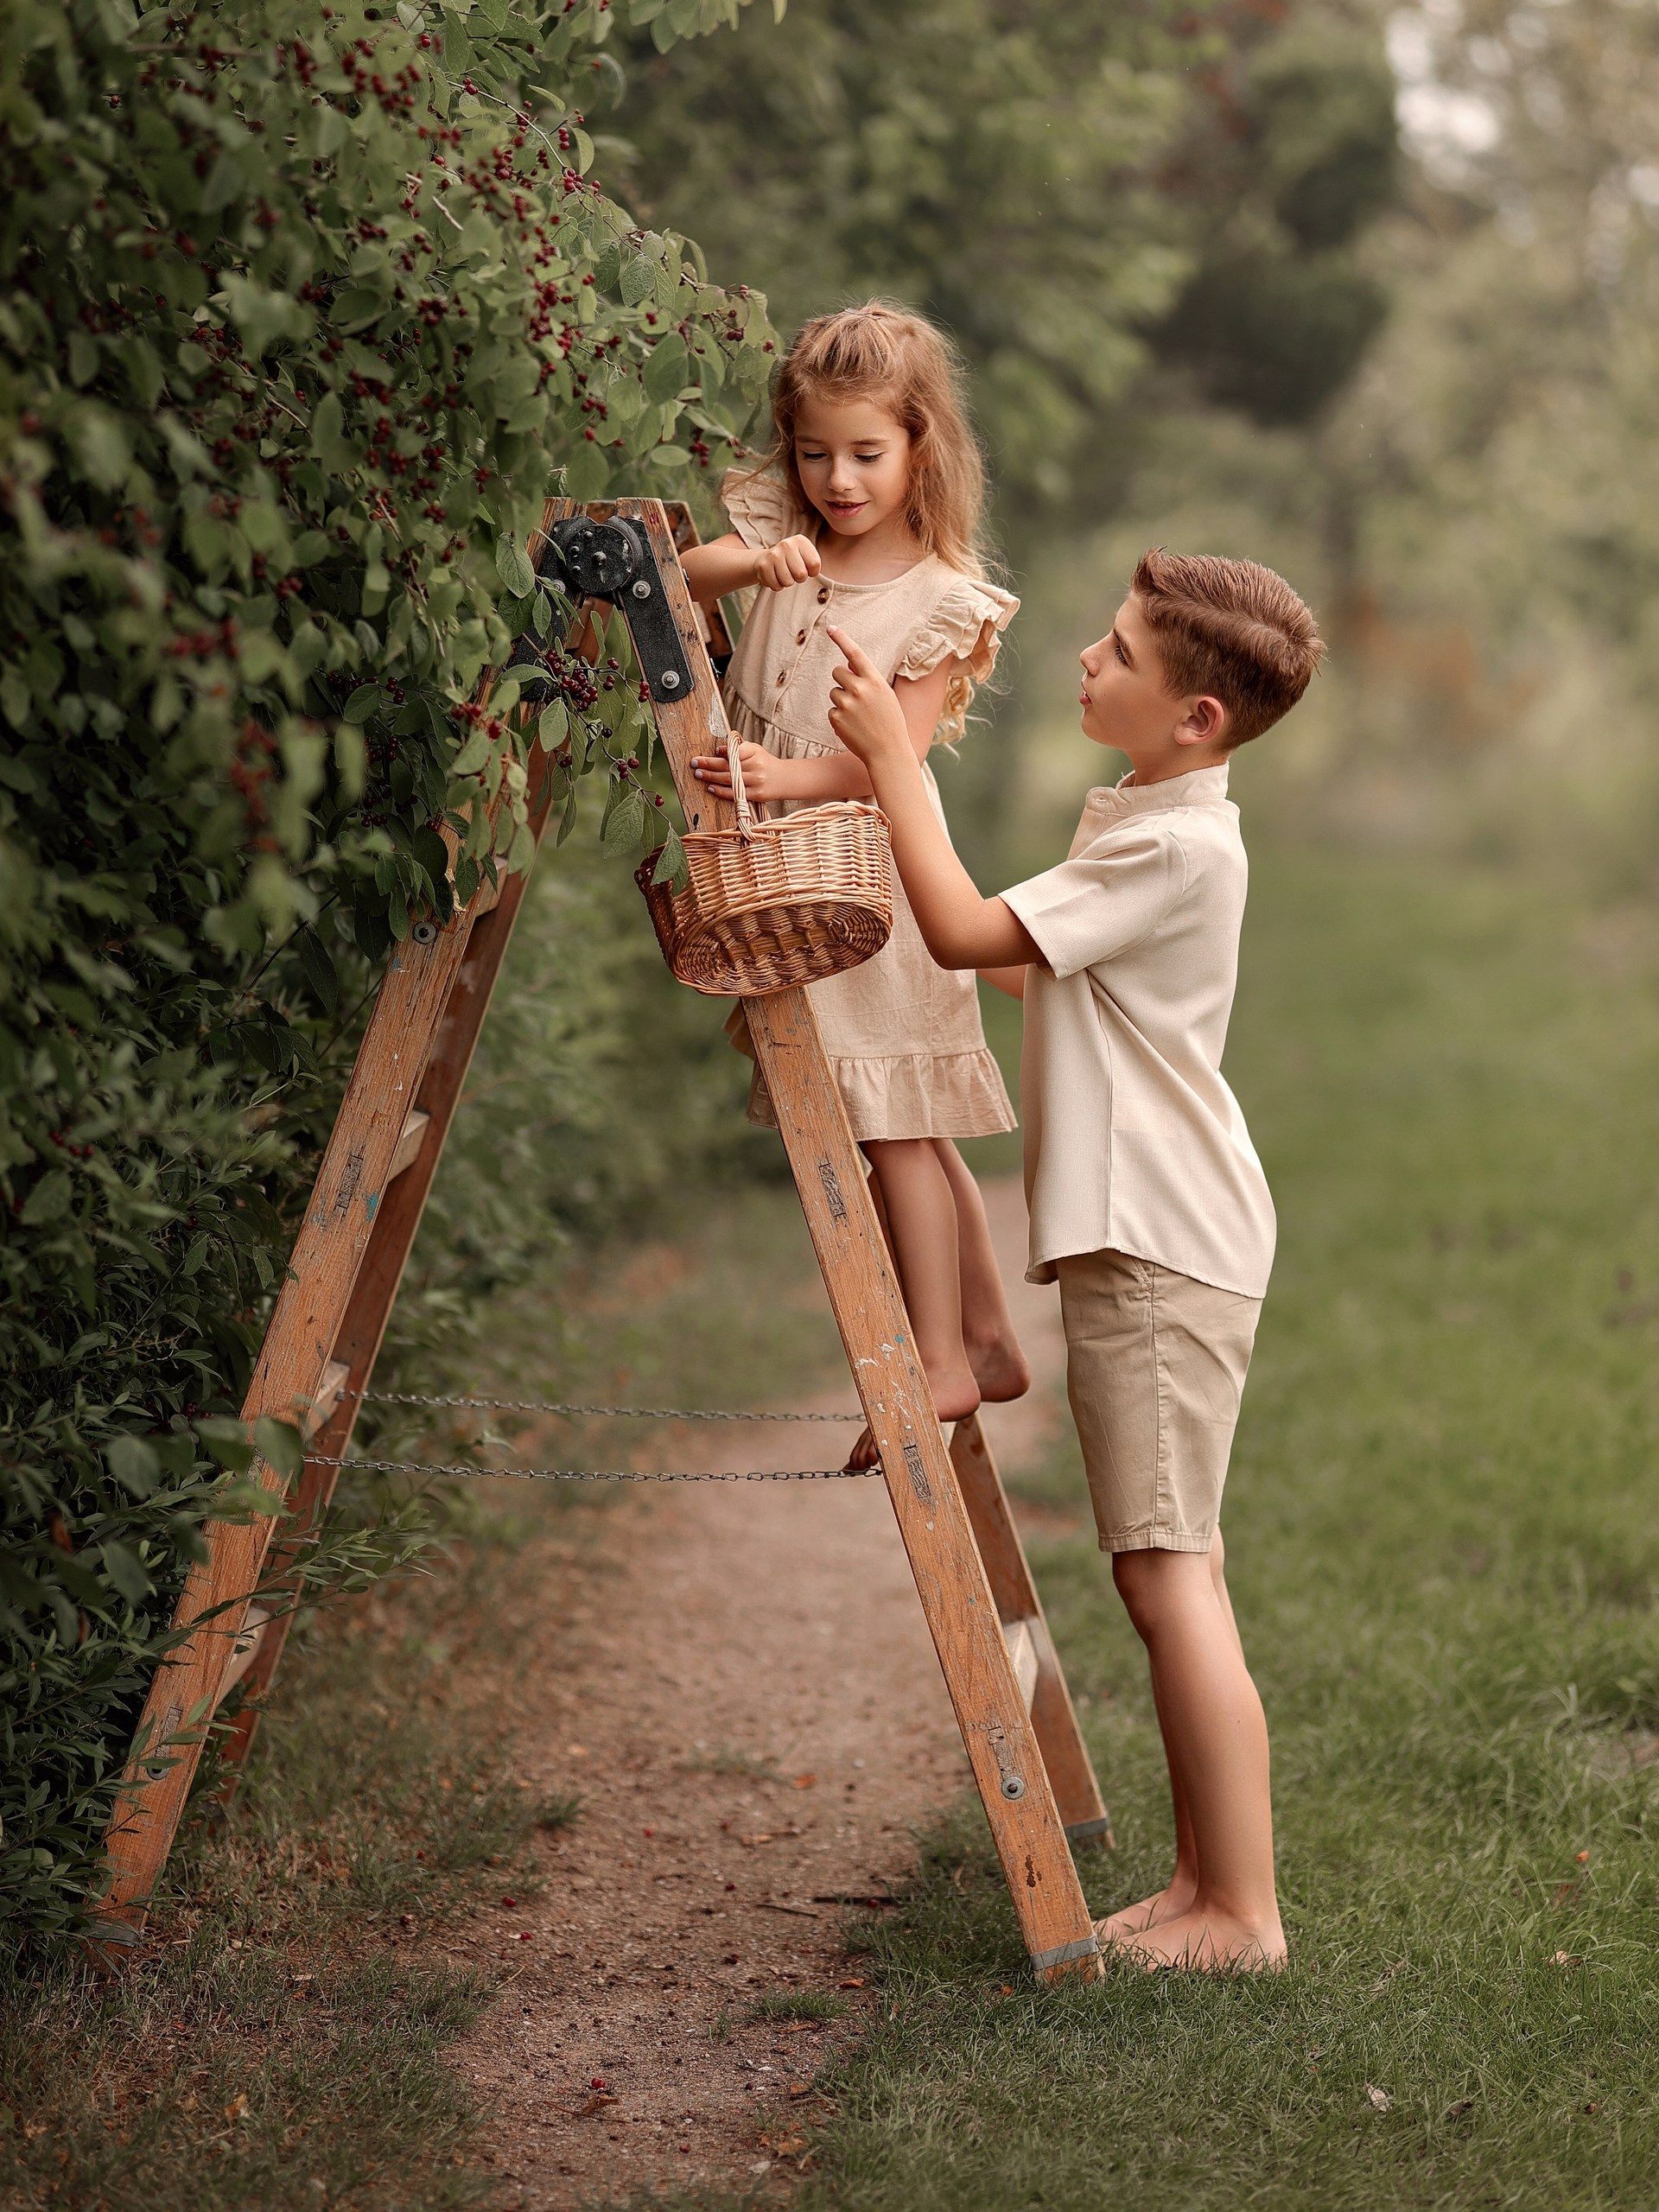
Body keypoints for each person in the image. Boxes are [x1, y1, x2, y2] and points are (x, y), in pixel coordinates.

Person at [822, 549, 1325, 1972]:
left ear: (1196, 721)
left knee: (1172, 1578)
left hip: (1166, 1247)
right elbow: (1011, 958)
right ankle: (1197, 1882)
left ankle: (1242, 1914)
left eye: (1115, 655)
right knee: (1165, 1570)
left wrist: (890, 770)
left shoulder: (1174, 845)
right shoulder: (1154, 821)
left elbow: (978, 929)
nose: (1086, 665)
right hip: (1161, 1238)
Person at [681, 302, 1030, 1458]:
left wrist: (782, 776)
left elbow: (898, 761)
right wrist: (751, 559)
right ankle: (984, 1338)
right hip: (795, 871)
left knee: (893, 1130)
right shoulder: (787, 531)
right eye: (815, 452)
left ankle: (938, 1362)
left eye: (867, 455)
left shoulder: (938, 598)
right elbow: (678, 580)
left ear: (920, 447)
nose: (837, 480)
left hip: (878, 882)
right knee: (908, 1125)